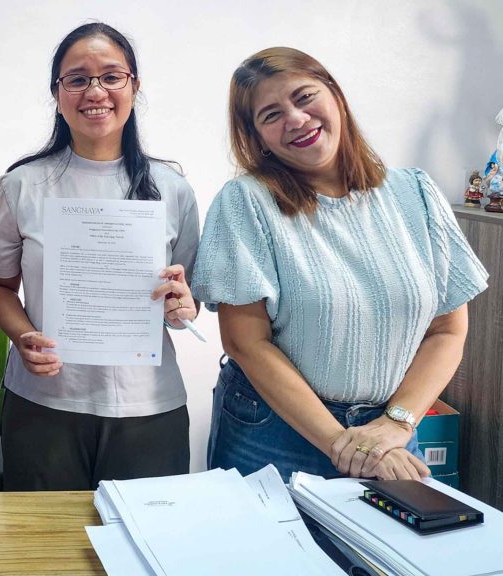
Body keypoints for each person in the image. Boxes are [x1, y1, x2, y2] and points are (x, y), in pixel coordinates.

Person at [192, 47, 488, 482]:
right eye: (271, 115)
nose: (295, 119)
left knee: (382, 551)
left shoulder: (417, 194)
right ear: (256, 138)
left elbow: (447, 330)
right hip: (273, 429)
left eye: (304, 97)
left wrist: (395, 424)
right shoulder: (246, 203)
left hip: (392, 427)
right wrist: (341, 442)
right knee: (268, 552)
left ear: (336, 97)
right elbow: (246, 343)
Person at [0, 23, 200, 491]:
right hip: (44, 403)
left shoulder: (172, 189)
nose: (95, 91)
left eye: (111, 76)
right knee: (44, 551)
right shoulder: (22, 185)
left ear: (134, 86)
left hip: (149, 408)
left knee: (144, 552)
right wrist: (23, 337)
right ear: (57, 94)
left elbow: (186, 305)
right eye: (77, 78)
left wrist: (182, 306)